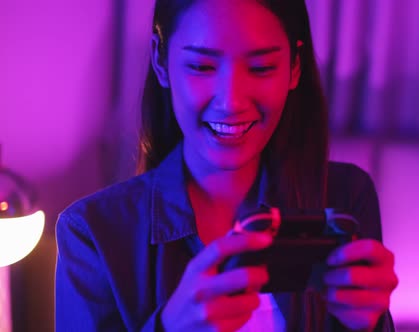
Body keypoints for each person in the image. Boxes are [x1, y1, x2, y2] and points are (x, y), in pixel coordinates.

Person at [55, 0, 398, 331]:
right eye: (203, 67)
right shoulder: (92, 233)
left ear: (295, 66)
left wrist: (368, 324)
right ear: (161, 62)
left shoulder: (345, 196)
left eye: (261, 67)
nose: (231, 101)